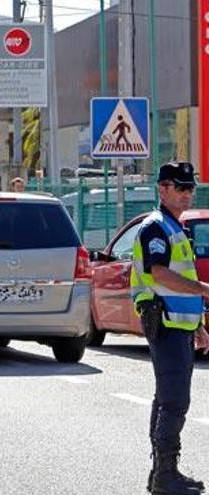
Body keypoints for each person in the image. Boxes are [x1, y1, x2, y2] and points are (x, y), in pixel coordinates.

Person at [130, 161, 209, 495]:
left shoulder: (176, 227)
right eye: (181, 187)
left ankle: (162, 472)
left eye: (191, 187)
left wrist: (199, 325)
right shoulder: (155, 227)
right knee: (174, 400)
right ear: (162, 189)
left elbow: (181, 279)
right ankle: (166, 475)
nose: (188, 193)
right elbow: (160, 274)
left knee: (167, 397)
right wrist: (205, 290)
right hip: (163, 322)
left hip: (179, 324)